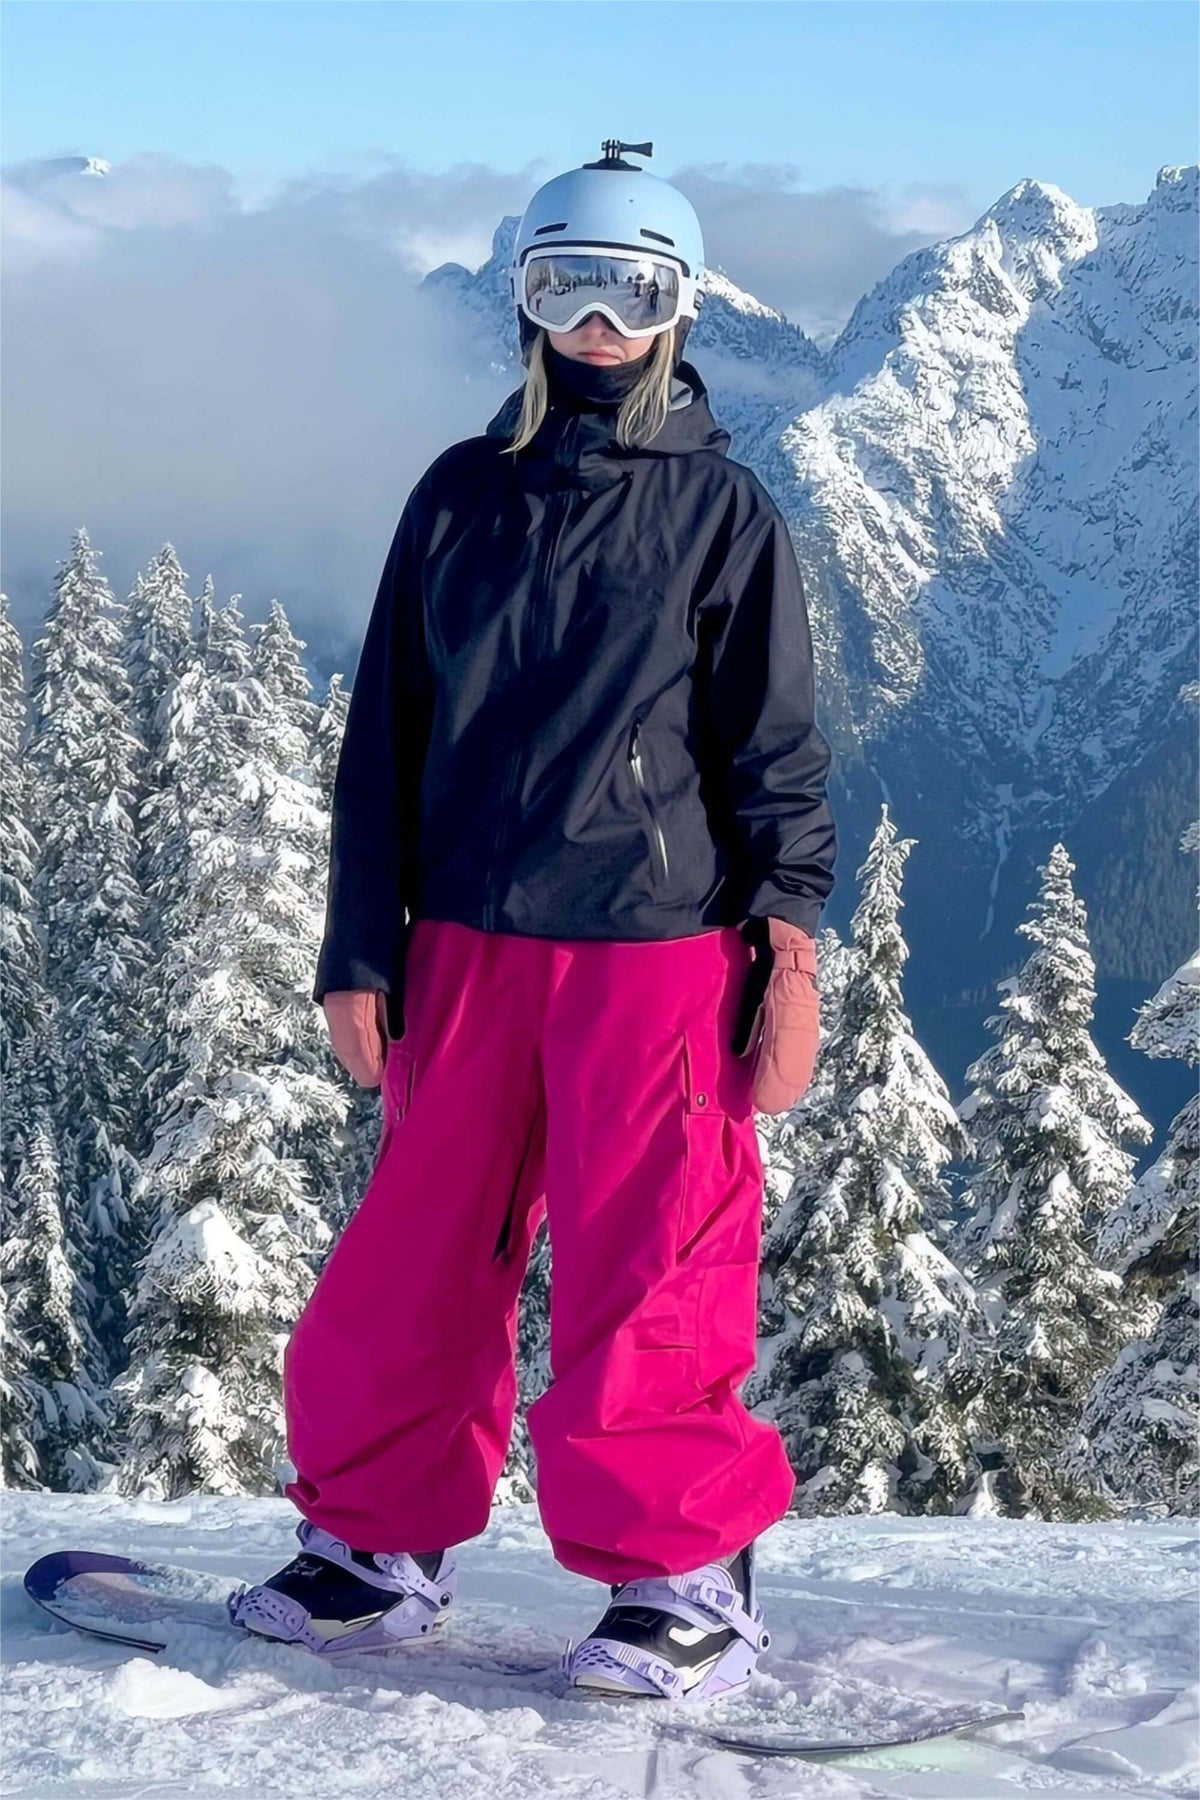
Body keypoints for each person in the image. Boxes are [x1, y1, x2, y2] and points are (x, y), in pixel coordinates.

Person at [230, 140, 837, 1702]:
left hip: (656, 948)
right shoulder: (460, 495)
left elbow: (772, 750)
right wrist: (361, 946)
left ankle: (683, 1577)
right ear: (524, 302)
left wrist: (788, 940)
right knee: (416, 1256)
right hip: (467, 943)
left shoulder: (721, 512)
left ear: (679, 309)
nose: (597, 326)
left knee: (655, 1264)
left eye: (629, 292)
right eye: (566, 287)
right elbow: (386, 736)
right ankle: (379, 1546)